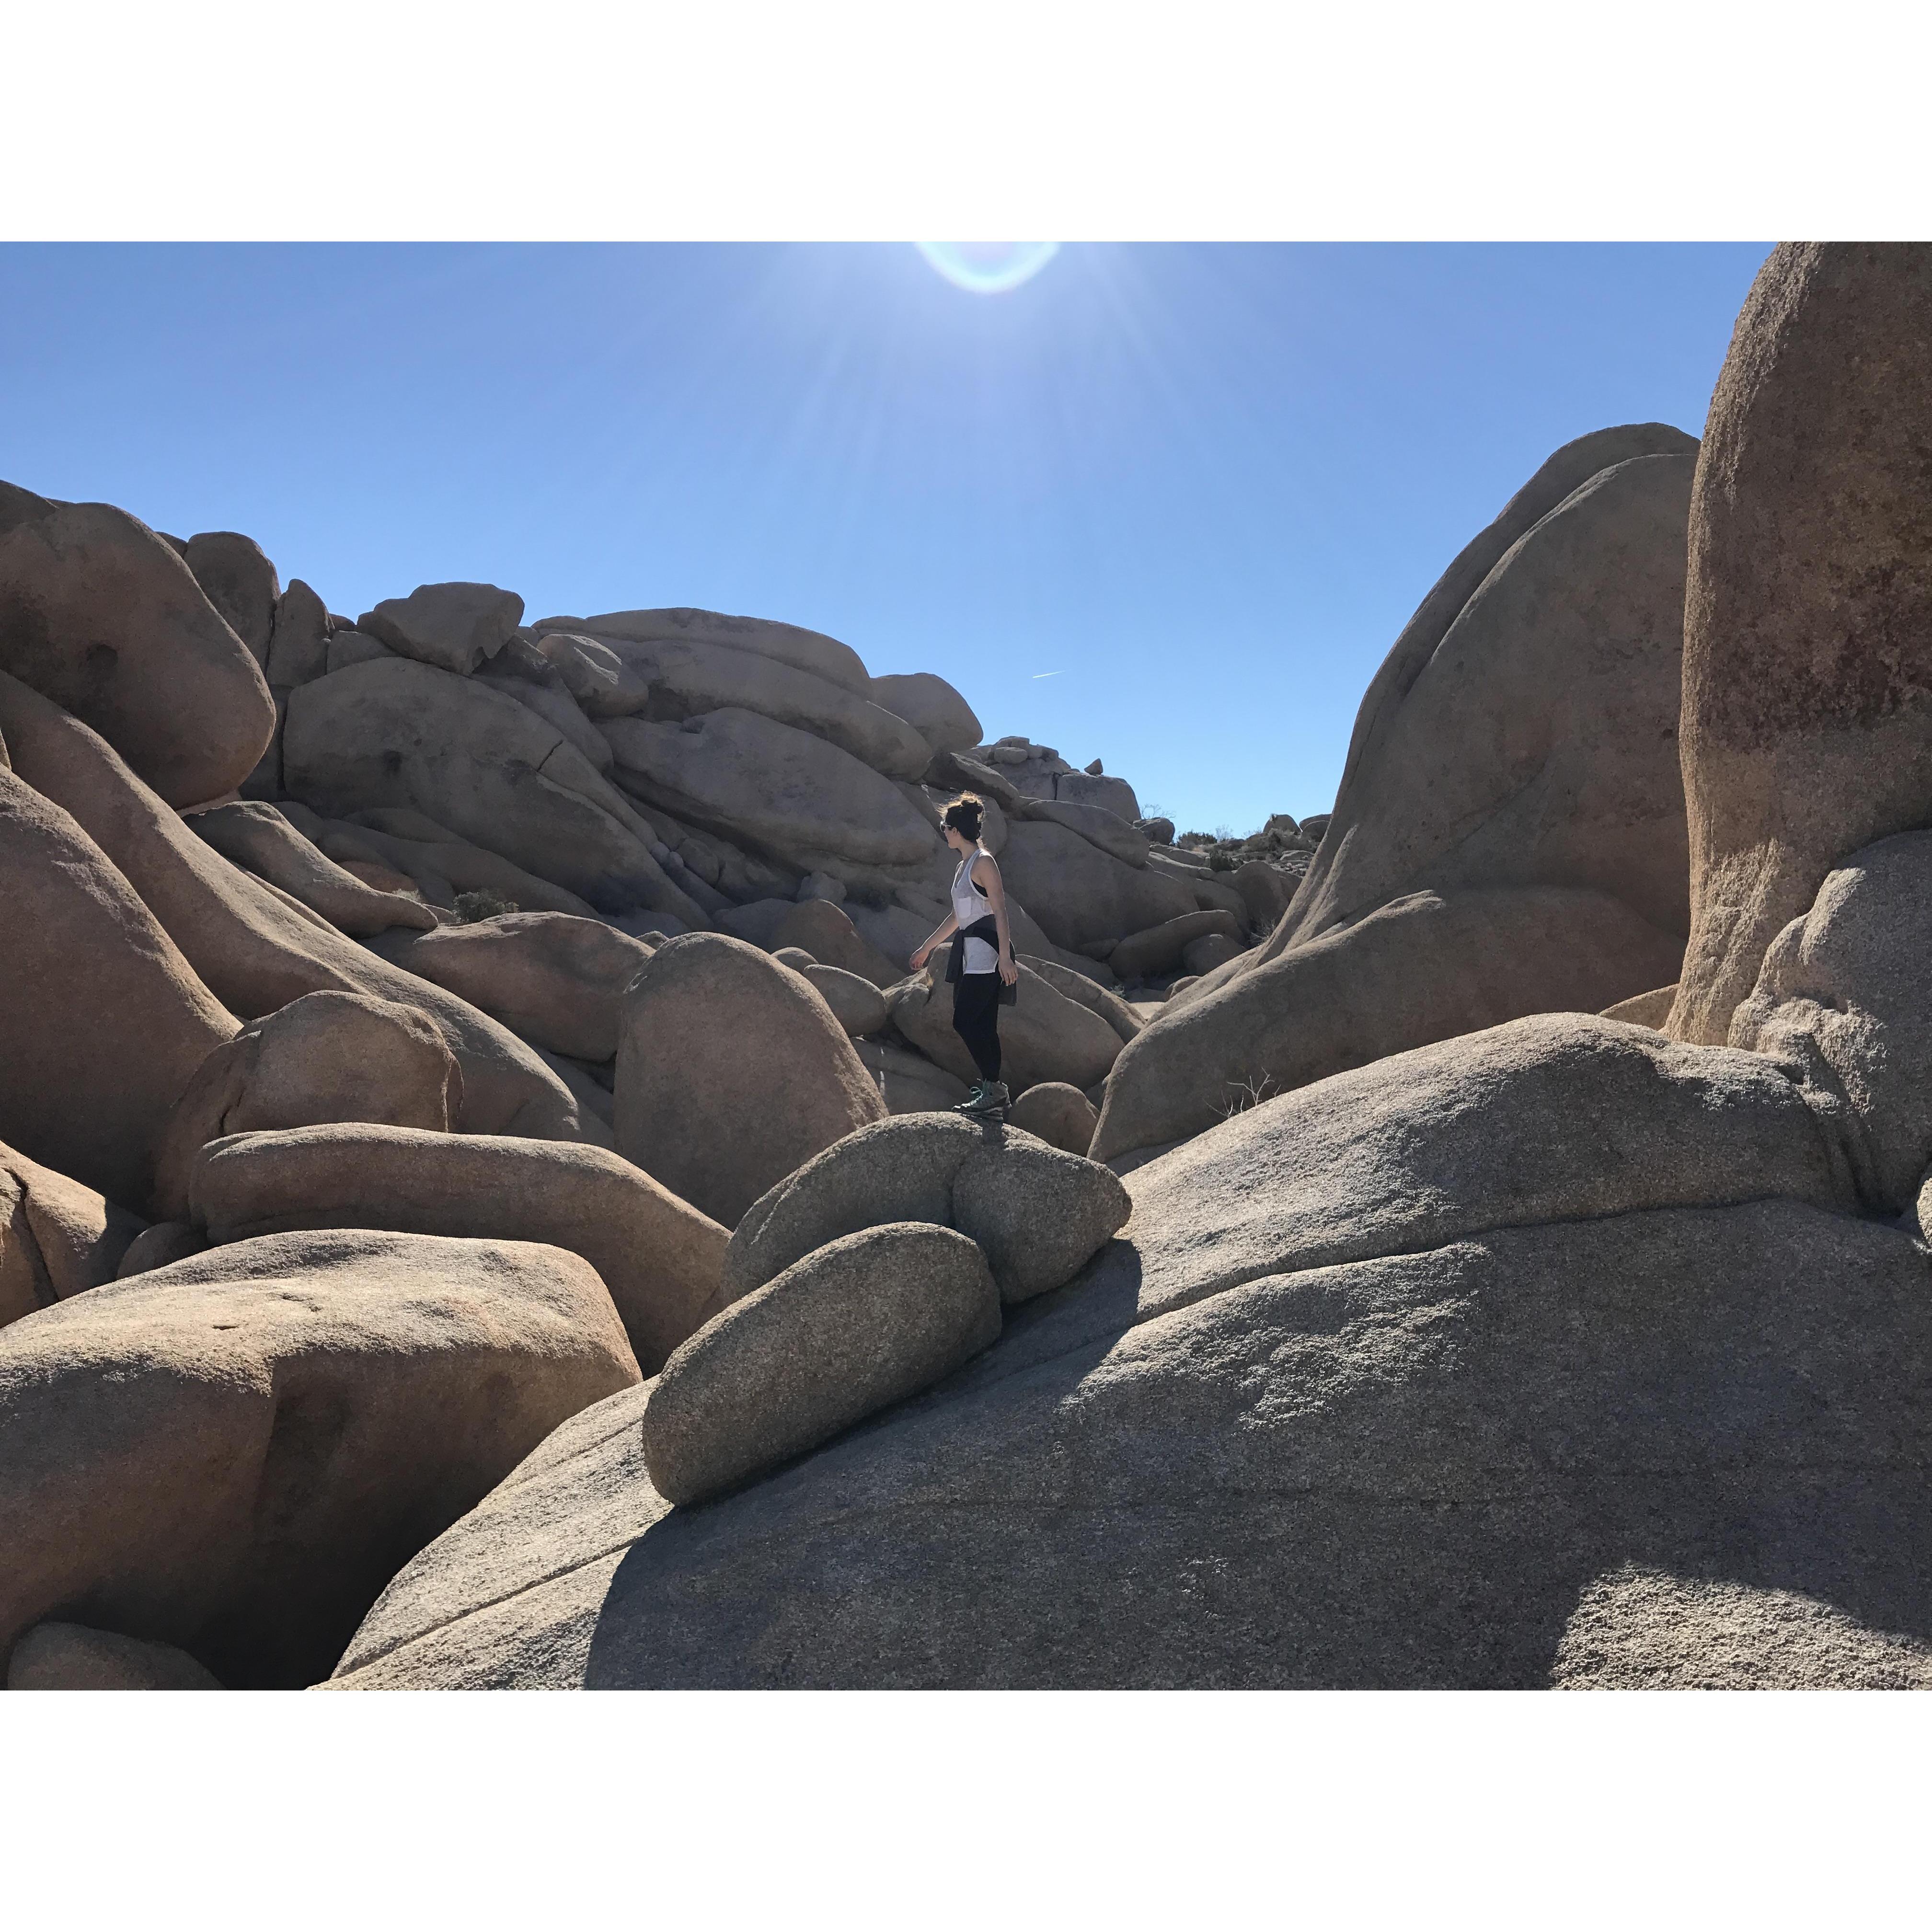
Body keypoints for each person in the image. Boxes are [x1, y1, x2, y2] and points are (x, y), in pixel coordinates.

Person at [909, 794, 1019, 1118]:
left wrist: (1005, 957)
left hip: (987, 952)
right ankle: (993, 1094)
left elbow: (1000, 910)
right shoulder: (963, 867)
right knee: (983, 1024)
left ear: (956, 830)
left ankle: (995, 1090)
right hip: (969, 953)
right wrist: (927, 947)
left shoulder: (984, 861)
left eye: (945, 827)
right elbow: (958, 917)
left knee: (965, 1020)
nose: (943, 831)